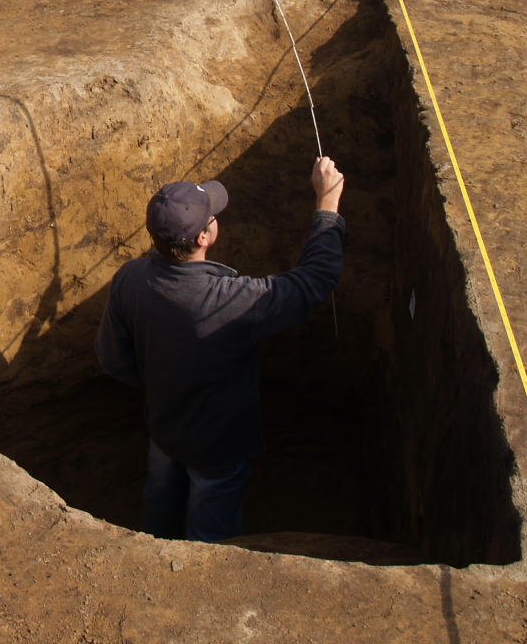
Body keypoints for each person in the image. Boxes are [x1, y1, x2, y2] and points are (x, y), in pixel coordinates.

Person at [94, 157, 345, 542]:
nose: (214, 219)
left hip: (165, 428)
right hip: (219, 445)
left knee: (160, 506)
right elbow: (314, 281)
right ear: (203, 238)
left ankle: (156, 554)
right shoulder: (230, 299)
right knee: (211, 530)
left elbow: (113, 359)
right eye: (210, 218)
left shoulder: (130, 279)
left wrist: (164, 385)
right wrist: (327, 207)